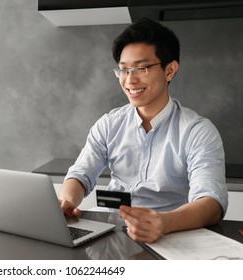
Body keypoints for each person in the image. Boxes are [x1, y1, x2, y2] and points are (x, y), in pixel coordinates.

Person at [58, 18, 228, 244]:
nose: (130, 80)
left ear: (169, 70)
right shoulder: (109, 124)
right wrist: (67, 202)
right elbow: (80, 175)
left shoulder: (198, 131)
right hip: (109, 234)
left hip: (168, 235)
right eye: (123, 69)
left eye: (142, 68)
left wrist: (164, 222)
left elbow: (212, 202)